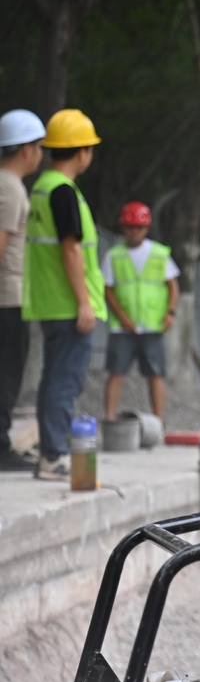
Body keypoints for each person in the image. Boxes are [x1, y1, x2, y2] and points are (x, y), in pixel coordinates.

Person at [23, 109, 107, 481]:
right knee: (64, 382)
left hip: (50, 301)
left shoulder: (41, 187)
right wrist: (84, 303)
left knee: (53, 379)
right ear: (82, 152)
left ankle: (50, 453)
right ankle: (53, 456)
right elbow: (71, 251)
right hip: (70, 304)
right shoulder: (63, 191)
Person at [101, 202, 180, 420]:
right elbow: (108, 290)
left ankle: (159, 421)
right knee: (116, 373)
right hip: (122, 328)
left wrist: (170, 312)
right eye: (130, 227)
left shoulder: (159, 253)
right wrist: (123, 318)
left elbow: (173, 286)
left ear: (146, 228)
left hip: (152, 325)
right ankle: (109, 419)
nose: (134, 231)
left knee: (155, 374)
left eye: (139, 227)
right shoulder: (113, 256)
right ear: (123, 228)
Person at [0, 110, 45, 471]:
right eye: (39, 147)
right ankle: (1, 446)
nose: (41, 154)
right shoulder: (9, 188)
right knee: (7, 372)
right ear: (27, 149)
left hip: (11, 296)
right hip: (6, 298)